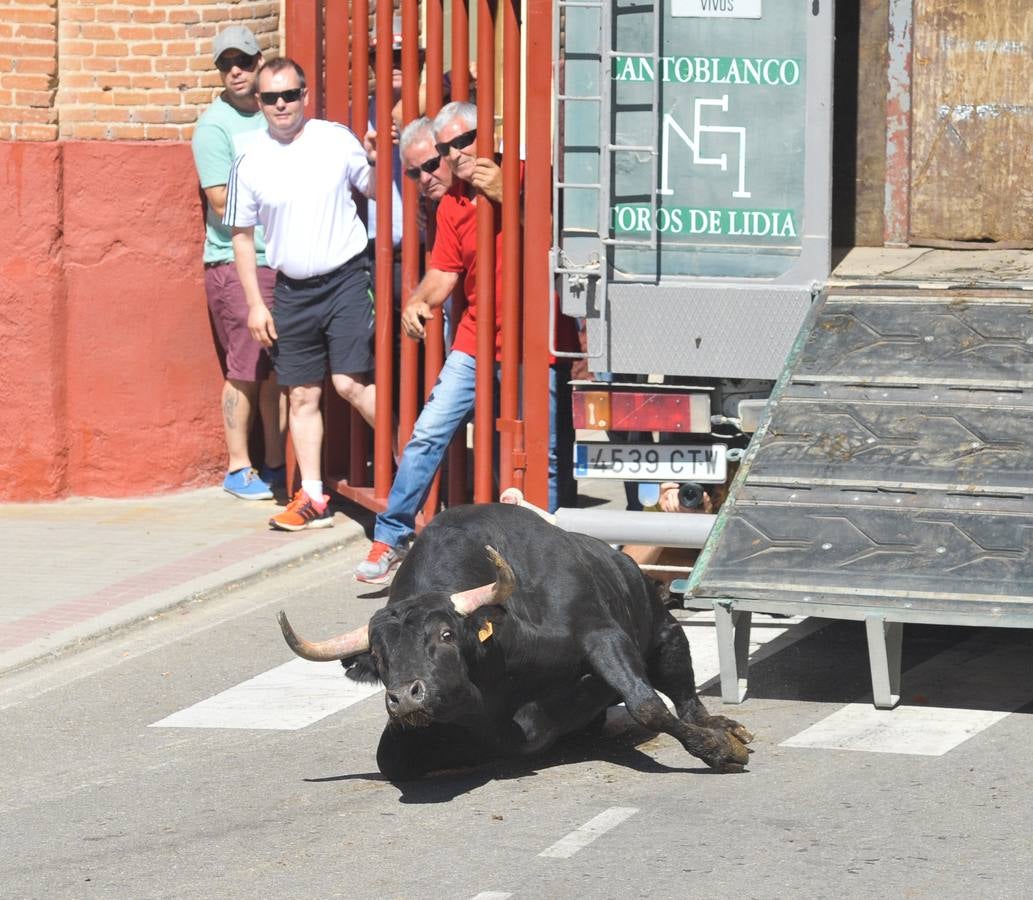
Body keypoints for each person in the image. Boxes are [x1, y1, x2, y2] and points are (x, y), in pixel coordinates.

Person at [226, 57, 378, 531]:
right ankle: (313, 496)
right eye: (270, 98)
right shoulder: (250, 159)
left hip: (348, 276)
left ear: (305, 96)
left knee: (350, 385)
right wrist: (255, 302)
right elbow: (242, 235)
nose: (281, 105)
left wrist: (379, 158)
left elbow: (374, 188)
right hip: (291, 288)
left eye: (289, 94)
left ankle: (413, 466)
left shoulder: (334, 139)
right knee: (301, 395)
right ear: (259, 103)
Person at [354, 101, 499, 583]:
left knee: (542, 451)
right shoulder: (453, 207)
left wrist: (509, 196)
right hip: (476, 338)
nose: (435, 170)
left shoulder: (518, 174)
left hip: (533, 342)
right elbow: (443, 271)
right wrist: (418, 301)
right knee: (427, 433)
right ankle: (391, 536)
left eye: (435, 160)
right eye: (414, 173)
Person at [190, 25, 286, 500]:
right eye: (225, 64)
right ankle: (237, 467)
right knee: (244, 366)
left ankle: (272, 462)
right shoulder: (214, 125)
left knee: (272, 369)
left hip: (282, 259)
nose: (234, 71)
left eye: (243, 62)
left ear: (258, 61)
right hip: (235, 260)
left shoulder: (274, 110)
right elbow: (218, 197)